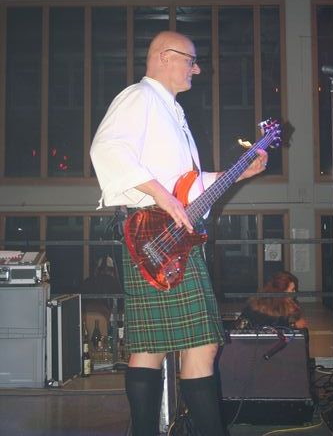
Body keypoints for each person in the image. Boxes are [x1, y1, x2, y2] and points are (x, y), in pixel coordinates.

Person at [90, 31, 268, 436]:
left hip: (165, 235)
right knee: (201, 344)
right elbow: (106, 148)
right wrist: (161, 196)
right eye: (191, 60)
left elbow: (189, 188)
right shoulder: (139, 97)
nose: (197, 69)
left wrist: (239, 173)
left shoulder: (173, 113)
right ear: (164, 57)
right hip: (156, 231)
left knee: (149, 347)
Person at [238, 271, 307, 330]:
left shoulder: (289, 304)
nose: (294, 292)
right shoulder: (264, 307)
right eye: (292, 290)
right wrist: (294, 325)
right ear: (282, 291)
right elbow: (272, 330)